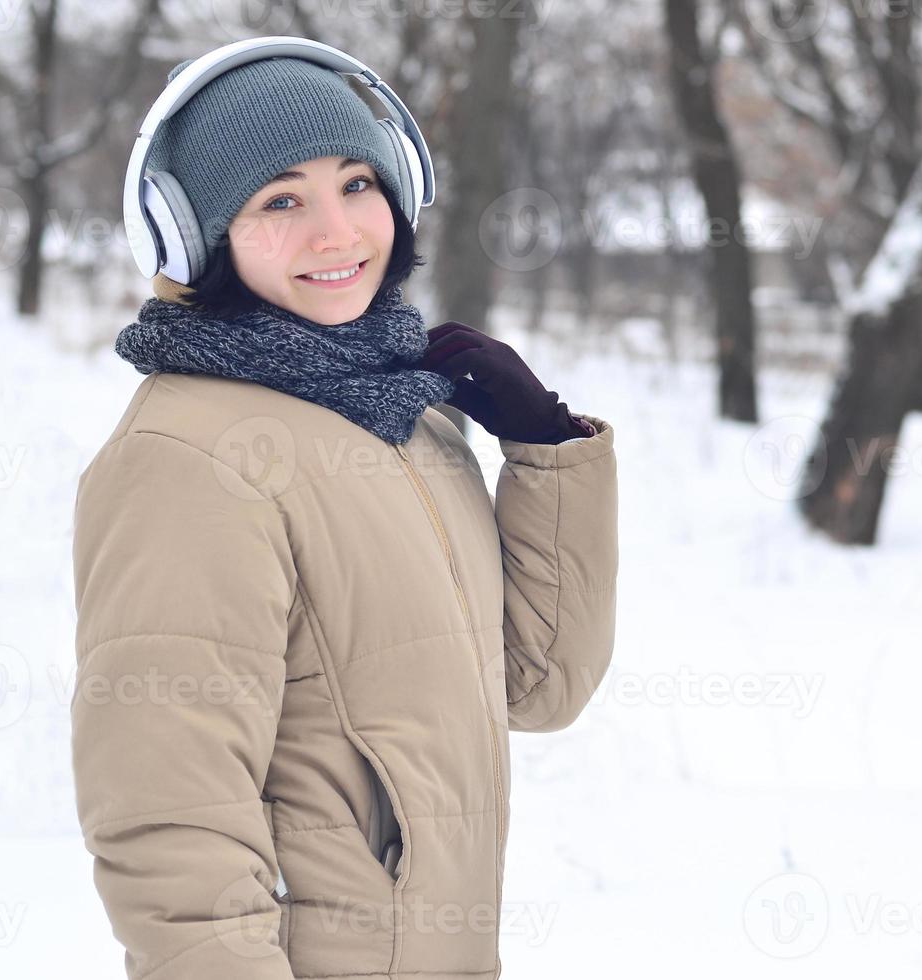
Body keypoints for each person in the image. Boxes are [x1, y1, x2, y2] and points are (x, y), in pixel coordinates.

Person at [70, 43, 617, 980]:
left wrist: (546, 448)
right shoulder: (188, 460)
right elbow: (169, 826)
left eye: (356, 183)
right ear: (192, 236)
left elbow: (538, 684)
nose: (337, 232)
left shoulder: (407, 422)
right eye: (280, 201)